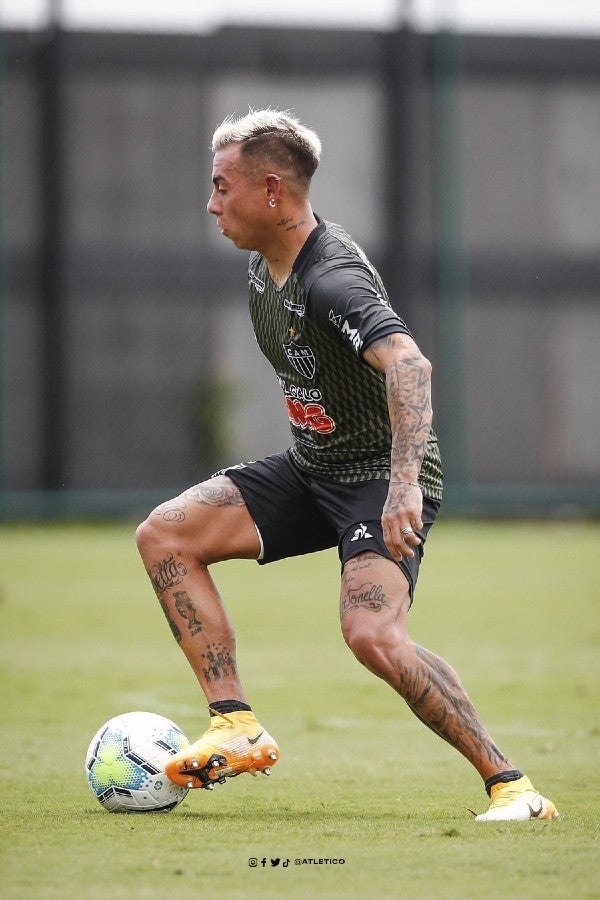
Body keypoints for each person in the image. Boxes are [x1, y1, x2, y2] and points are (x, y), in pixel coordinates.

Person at [135, 108, 558, 822]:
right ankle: (236, 723)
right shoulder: (263, 269)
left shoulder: (332, 280)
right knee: (165, 535)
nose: (210, 204)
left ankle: (512, 786)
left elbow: (410, 366)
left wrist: (401, 487)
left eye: (221, 187)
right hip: (312, 469)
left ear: (272, 191)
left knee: (371, 636)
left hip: (378, 482)